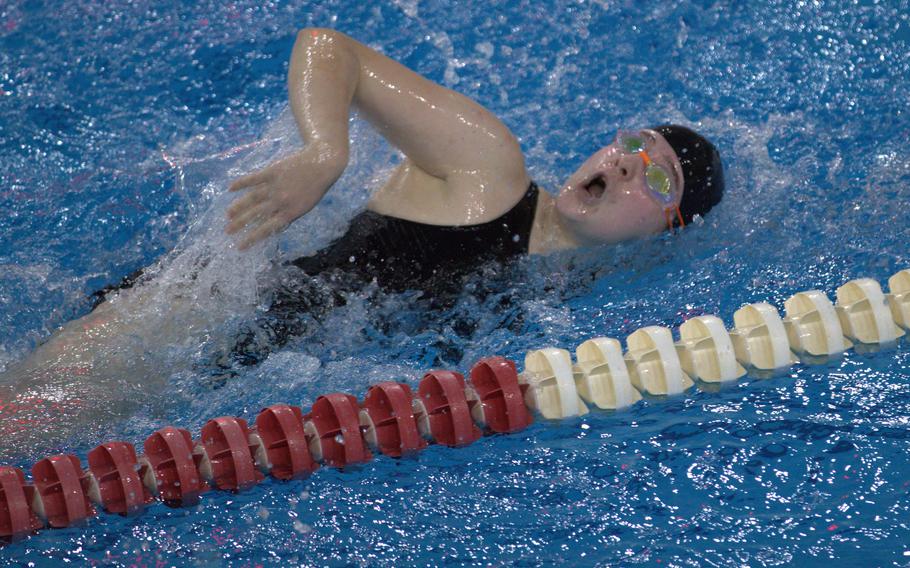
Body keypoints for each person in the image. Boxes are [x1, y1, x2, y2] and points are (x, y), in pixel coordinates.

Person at [0, 28, 724, 460]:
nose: (628, 160)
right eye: (633, 143)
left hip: (228, 391)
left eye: (655, 174)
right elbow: (329, 47)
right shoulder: (489, 173)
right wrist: (324, 152)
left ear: (669, 228)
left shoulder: (576, 297)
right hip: (191, 323)